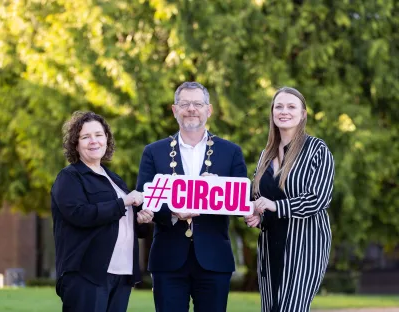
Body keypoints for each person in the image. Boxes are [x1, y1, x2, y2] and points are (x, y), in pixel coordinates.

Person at [136, 81, 247, 312]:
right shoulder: (154, 152)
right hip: (168, 259)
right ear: (174, 110)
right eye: (184, 103)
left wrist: (218, 191)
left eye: (197, 103)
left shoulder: (231, 152)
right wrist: (173, 213)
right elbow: (145, 200)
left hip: (215, 259)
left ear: (209, 110)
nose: (191, 109)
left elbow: (240, 204)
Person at [51, 111, 154, 312]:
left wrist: (141, 220)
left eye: (99, 135)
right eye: (85, 136)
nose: (93, 141)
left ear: (106, 139)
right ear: (76, 143)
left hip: (122, 273)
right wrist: (123, 202)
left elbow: (123, 222)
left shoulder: (115, 179)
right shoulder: (69, 177)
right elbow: (79, 214)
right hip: (86, 275)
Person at [245, 87, 334, 312]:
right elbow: (257, 196)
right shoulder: (266, 154)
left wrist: (276, 206)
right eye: (279, 106)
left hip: (304, 245)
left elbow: (319, 198)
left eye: (291, 106)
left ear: (303, 114)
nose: (284, 111)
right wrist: (255, 212)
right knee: (272, 308)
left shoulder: (317, 150)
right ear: (272, 112)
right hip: (269, 243)